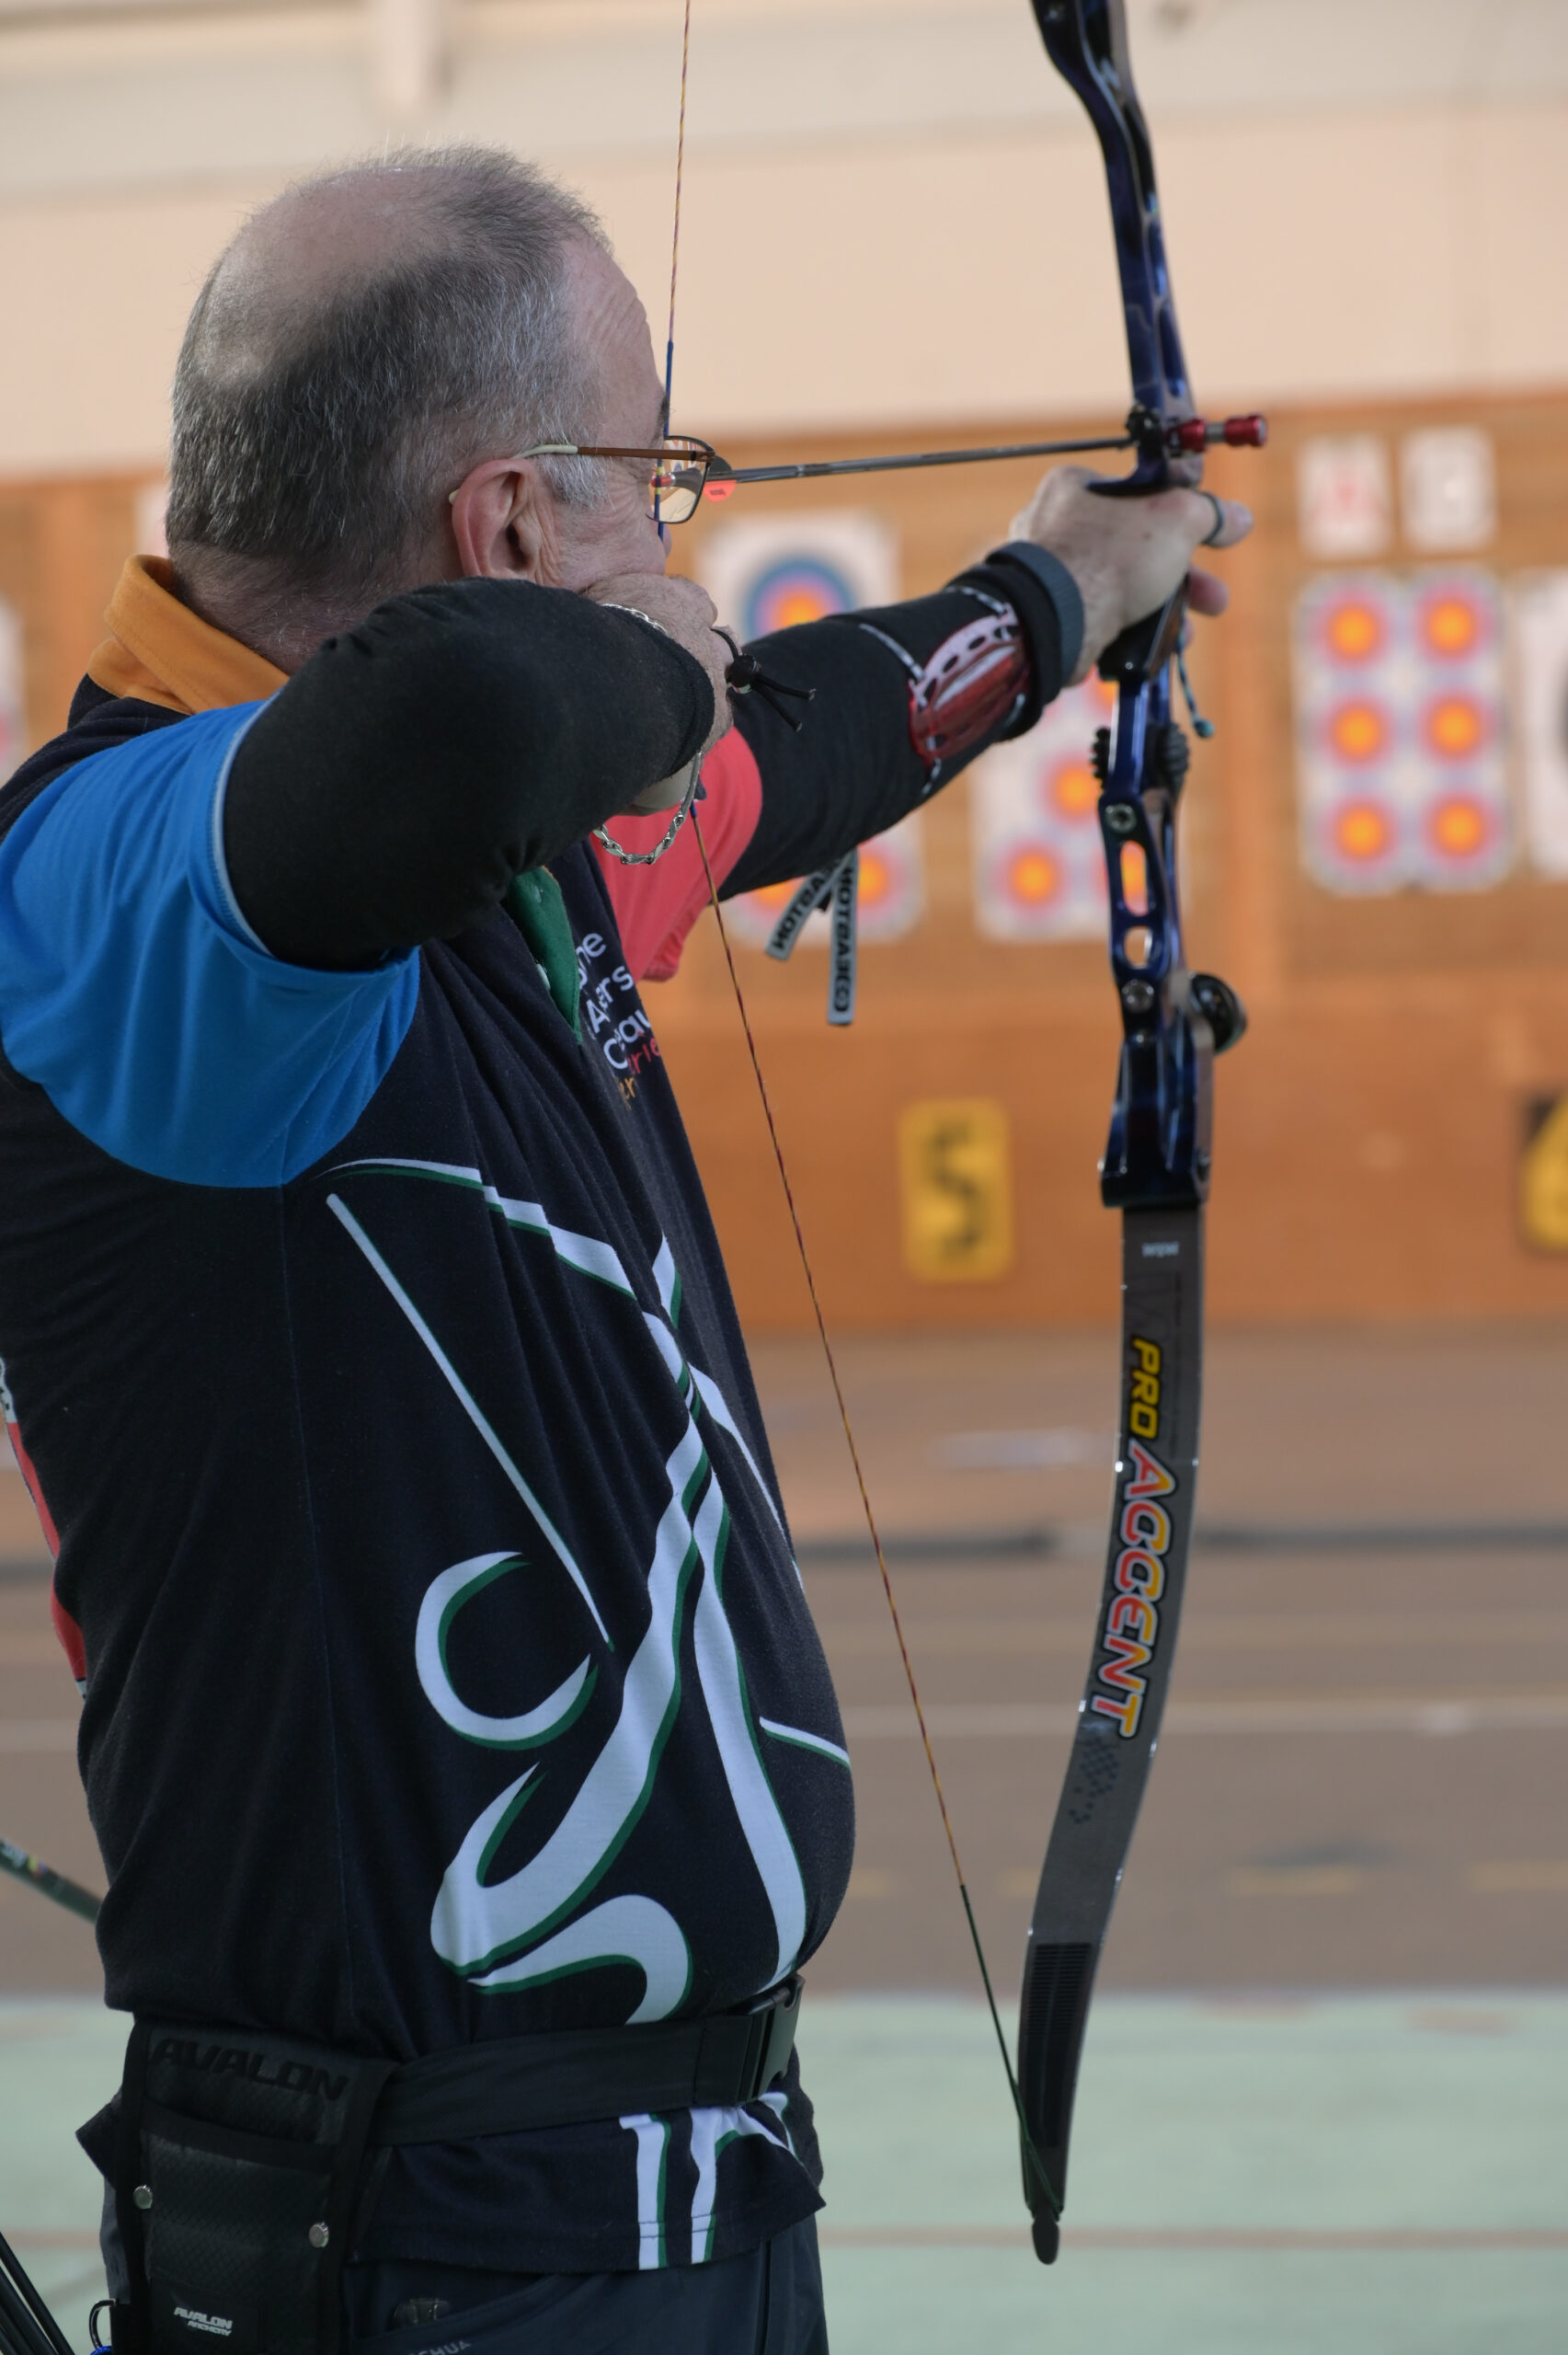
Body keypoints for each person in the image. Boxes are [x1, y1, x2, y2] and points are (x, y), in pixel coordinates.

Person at [0, 147, 1247, 2355]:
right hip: (415, 2240)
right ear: (504, 525)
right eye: (652, 484)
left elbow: (801, 741)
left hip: (670, 2198)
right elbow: (469, 713)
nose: (678, 543)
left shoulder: (508, 858)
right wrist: (633, 658)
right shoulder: (112, 871)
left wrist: (1061, 588)